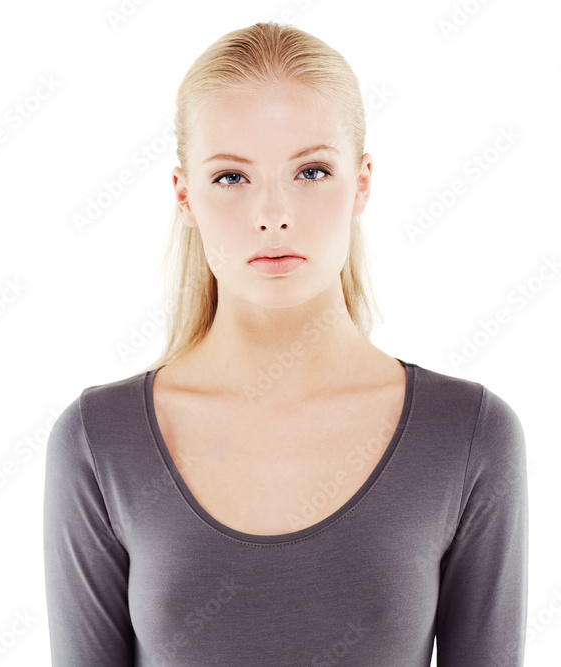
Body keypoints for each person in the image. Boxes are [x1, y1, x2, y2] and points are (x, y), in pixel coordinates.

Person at [42, 21, 528, 666]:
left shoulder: (467, 434)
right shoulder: (99, 441)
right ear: (184, 194)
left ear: (362, 182)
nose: (273, 213)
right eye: (232, 178)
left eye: (311, 171)